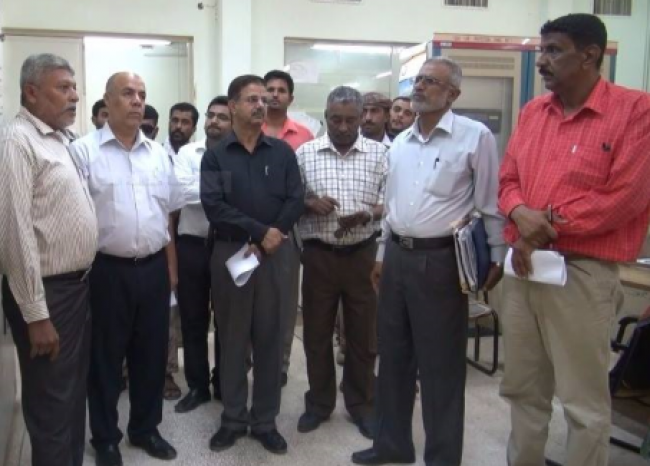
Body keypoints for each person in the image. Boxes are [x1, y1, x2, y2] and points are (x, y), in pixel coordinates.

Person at [498, 14, 650, 466]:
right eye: (541, 50)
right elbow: (508, 181)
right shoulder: (533, 112)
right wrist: (519, 212)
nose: (541, 60)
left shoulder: (635, 111)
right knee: (523, 392)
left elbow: (624, 198)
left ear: (589, 55)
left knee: (583, 405)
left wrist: (541, 225)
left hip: (581, 274)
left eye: (554, 50)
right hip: (523, 272)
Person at [352, 57, 505, 466]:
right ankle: (392, 444)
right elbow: (393, 207)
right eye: (418, 79)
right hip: (397, 257)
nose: (419, 86)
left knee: (441, 366)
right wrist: (382, 253)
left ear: (453, 93)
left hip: (441, 262)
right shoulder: (400, 142)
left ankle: (442, 457)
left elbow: (489, 203)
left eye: (430, 81)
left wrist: (497, 254)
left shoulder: (474, 137)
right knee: (393, 357)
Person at [70, 72, 182, 466]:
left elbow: (167, 217)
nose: (137, 101)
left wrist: (170, 269)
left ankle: (146, 428)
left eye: (142, 94)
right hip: (105, 271)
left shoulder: (159, 155)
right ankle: (105, 438)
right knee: (105, 358)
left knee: (151, 355)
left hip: (152, 269)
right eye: (128, 93)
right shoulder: (83, 153)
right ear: (107, 101)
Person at [0, 53, 98, 466]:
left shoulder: (60, 139)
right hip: (48, 295)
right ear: (31, 92)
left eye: (74, 87)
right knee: (52, 404)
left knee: (72, 397)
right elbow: (14, 230)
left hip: (75, 289)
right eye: (63, 87)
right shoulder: (17, 142)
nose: (74, 96)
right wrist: (36, 314)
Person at [201, 74, 304, 454]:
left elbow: (295, 198)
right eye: (252, 99)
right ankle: (232, 419)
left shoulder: (282, 153)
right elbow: (215, 207)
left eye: (264, 99)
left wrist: (274, 234)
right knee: (231, 338)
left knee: (271, 338)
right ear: (233, 106)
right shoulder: (216, 155)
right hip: (233, 253)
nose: (262, 105)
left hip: (275, 256)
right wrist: (261, 231)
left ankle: (264, 421)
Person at [296, 86, 387, 440]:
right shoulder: (305, 154)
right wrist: (309, 203)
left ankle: (362, 404)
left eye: (351, 119)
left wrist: (367, 213)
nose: (344, 127)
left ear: (362, 117)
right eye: (336, 119)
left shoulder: (380, 154)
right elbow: (291, 199)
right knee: (316, 334)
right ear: (326, 116)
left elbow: (391, 202)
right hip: (319, 255)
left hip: (363, 254)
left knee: (363, 336)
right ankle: (319, 404)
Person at [173, 96, 232, 413]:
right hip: (192, 245)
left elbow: (241, 196)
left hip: (227, 245)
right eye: (211, 115)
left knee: (227, 319)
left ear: (233, 122)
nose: (214, 121)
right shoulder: (187, 152)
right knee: (193, 319)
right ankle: (197, 386)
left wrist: (209, 189)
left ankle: (223, 381)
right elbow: (181, 193)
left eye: (222, 117)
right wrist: (221, 188)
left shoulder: (238, 154)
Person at [262, 69, 314, 387]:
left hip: (289, 230)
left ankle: (280, 363)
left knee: (284, 302)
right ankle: (250, 358)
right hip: (252, 228)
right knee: (251, 300)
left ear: (290, 98)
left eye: (281, 90)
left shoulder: (304, 136)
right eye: (269, 89)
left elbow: (307, 187)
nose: (275, 95)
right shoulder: (250, 130)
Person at [162, 101, 199, 400]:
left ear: (194, 127)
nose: (179, 126)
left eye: (185, 122)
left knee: (187, 311)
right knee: (168, 311)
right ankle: (166, 372)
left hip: (189, 239)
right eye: (175, 120)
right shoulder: (156, 153)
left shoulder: (200, 154)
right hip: (163, 238)